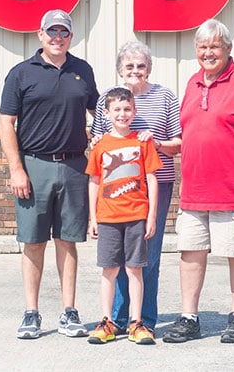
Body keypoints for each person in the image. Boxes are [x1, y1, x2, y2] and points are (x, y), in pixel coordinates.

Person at [163, 19, 234, 345]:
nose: (208, 52)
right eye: (202, 47)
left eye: (215, 46)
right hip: (195, 191)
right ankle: (189, 317)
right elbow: (190, 134)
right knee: (190, 253)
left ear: (228, 49)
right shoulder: (192, 84)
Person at [0, 9, 99, 340]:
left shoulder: (82, 71)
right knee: (33, 241)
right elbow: (5, 123)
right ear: (40, 35)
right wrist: (17, 168)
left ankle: (69, 311)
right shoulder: (21, 73)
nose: (57, 37)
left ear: (71, 36)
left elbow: (99, 112)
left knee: (67, 240)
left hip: (73, 166)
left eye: (64, 32)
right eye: (51, 31)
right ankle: (31, 313)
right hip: (34, 165)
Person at [90, 41, 181, 335]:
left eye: (141, 65)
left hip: (154, 187)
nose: (135, 71)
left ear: (149, 68)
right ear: (119, 70)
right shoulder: (109, 98)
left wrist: (154, 143)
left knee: (147, 257)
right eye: (129, 66)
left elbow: (178, 143)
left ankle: (145, 320)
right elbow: (96, 145)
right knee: (115, 260)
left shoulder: (165, 97)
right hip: (115, 195)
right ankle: (115, 318)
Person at [84, 87, 162, 345]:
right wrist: (93, 217)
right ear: (105, 113)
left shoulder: (143, 142)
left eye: (127, 108)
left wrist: (151, 217)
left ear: (134, 111)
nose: (122, 114)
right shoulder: (100, 145)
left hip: (136, 216)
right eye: (116, 109)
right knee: (109, 270)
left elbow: (152, 179)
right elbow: (94, 181)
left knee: (135, 270)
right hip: (107, 218)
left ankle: (136, 322)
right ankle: (107, 321)